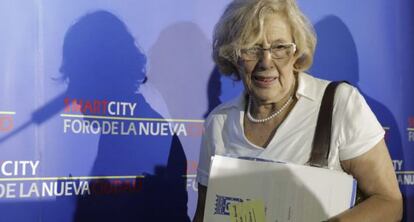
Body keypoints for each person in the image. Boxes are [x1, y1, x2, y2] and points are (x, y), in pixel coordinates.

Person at [193, 0, 402, 221]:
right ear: (234, 56)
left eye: (280, 47)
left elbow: (389, 203)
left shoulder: (338, 104)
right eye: (252, 48)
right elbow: (205, 214)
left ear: (297, 53)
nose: (266, 62)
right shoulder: (219, 122)